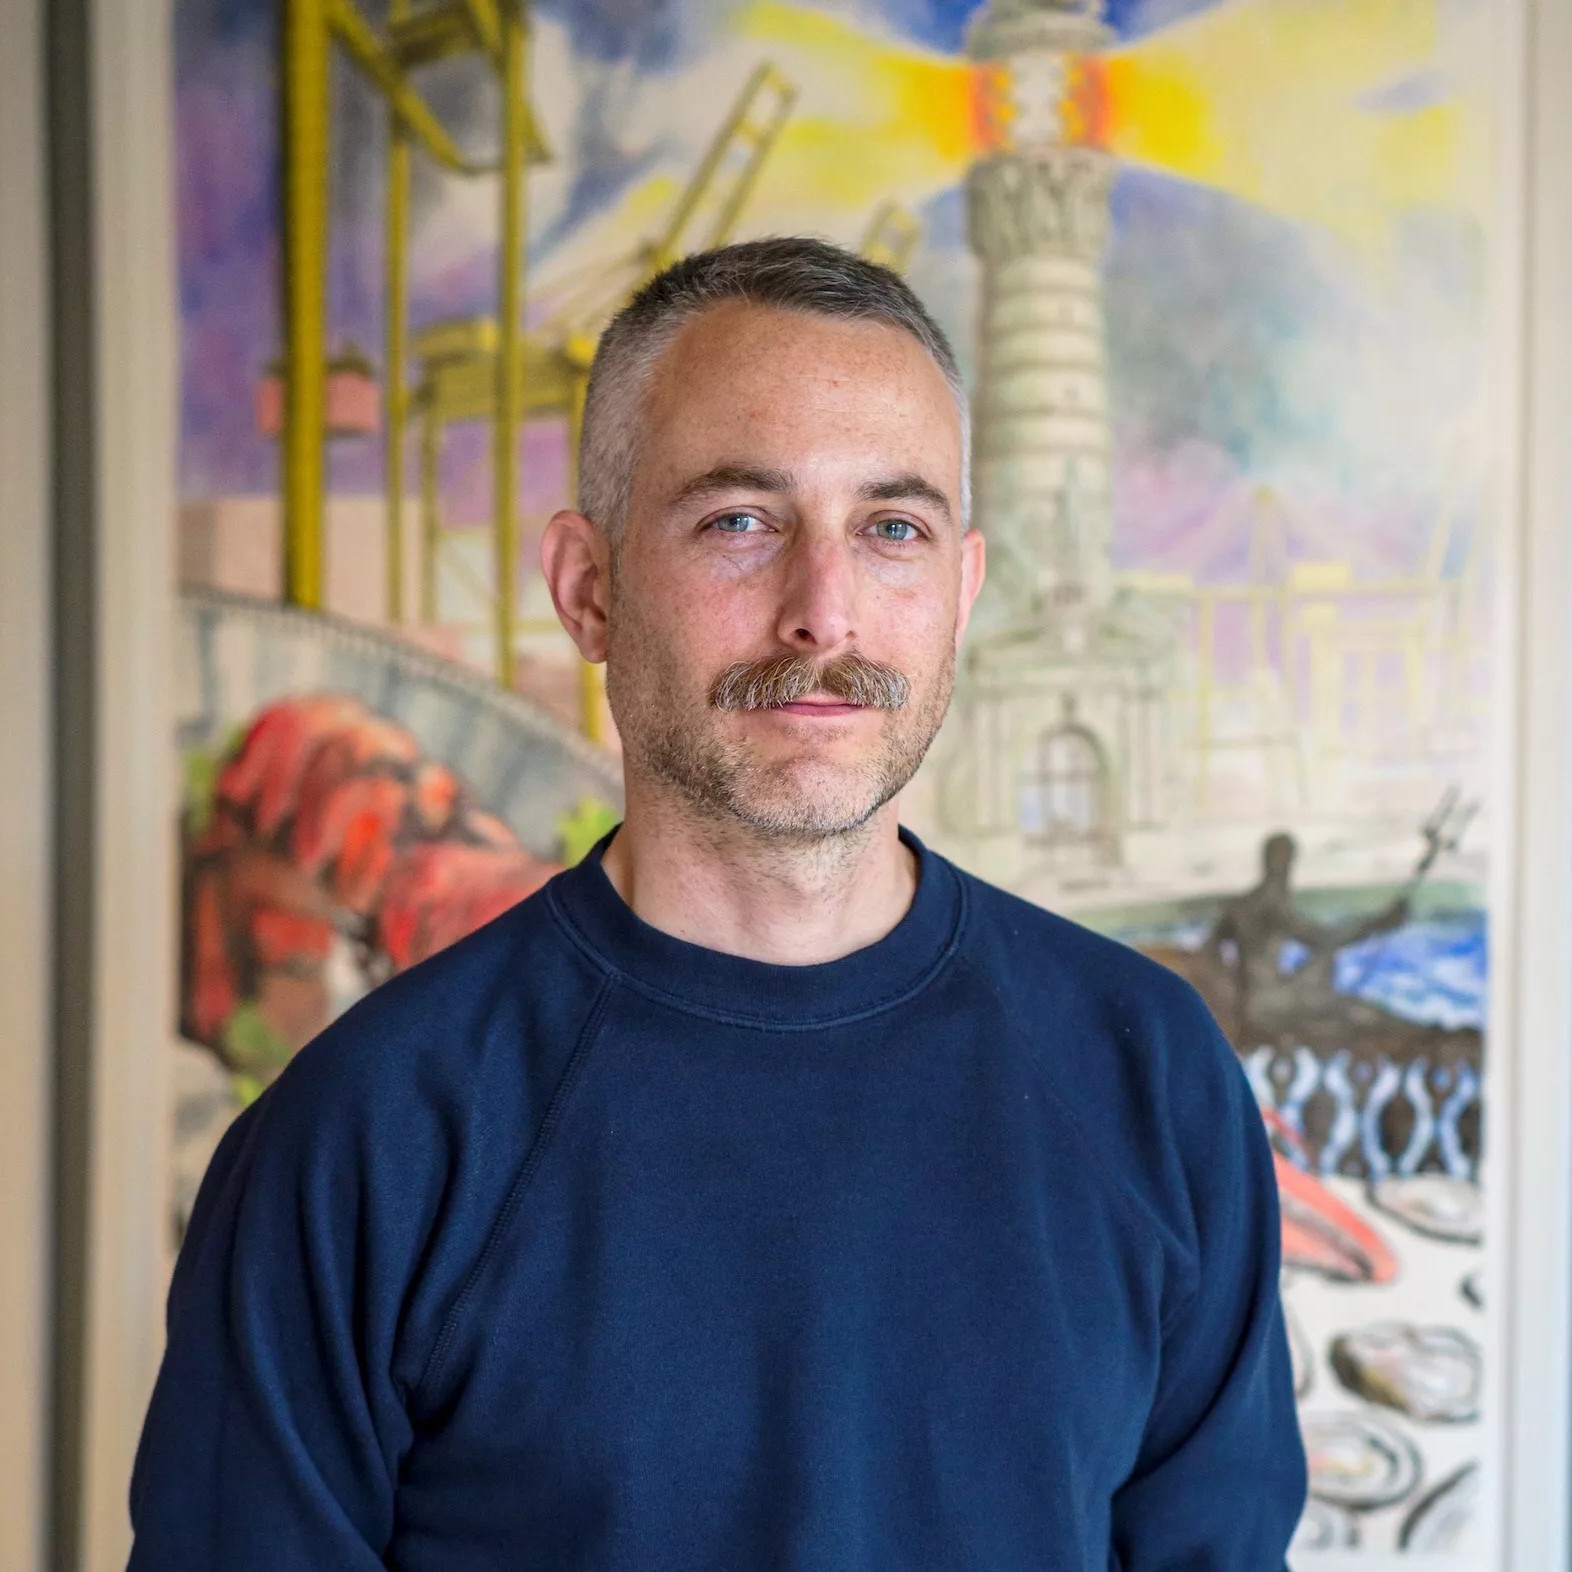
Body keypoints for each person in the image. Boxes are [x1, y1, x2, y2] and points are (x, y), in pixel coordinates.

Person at [129, 238, 1307, 1569]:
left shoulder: (1152, 1077)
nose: (824, 614)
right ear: (589, 589)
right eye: (741, 521)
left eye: (894, 529)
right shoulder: (366, 1137)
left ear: (961, 594)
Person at [1204, 830, 1411, 1044]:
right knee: (1346, 1005)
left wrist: (1231, 989)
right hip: (1273, 1004)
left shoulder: (1239, 906)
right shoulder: (1272, 906)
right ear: (1284, 865)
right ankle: (1411, 1034)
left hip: (1253, 1002)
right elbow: (1322, 938)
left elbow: (1211, 949)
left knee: (1325, 965)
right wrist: (1376, 924)